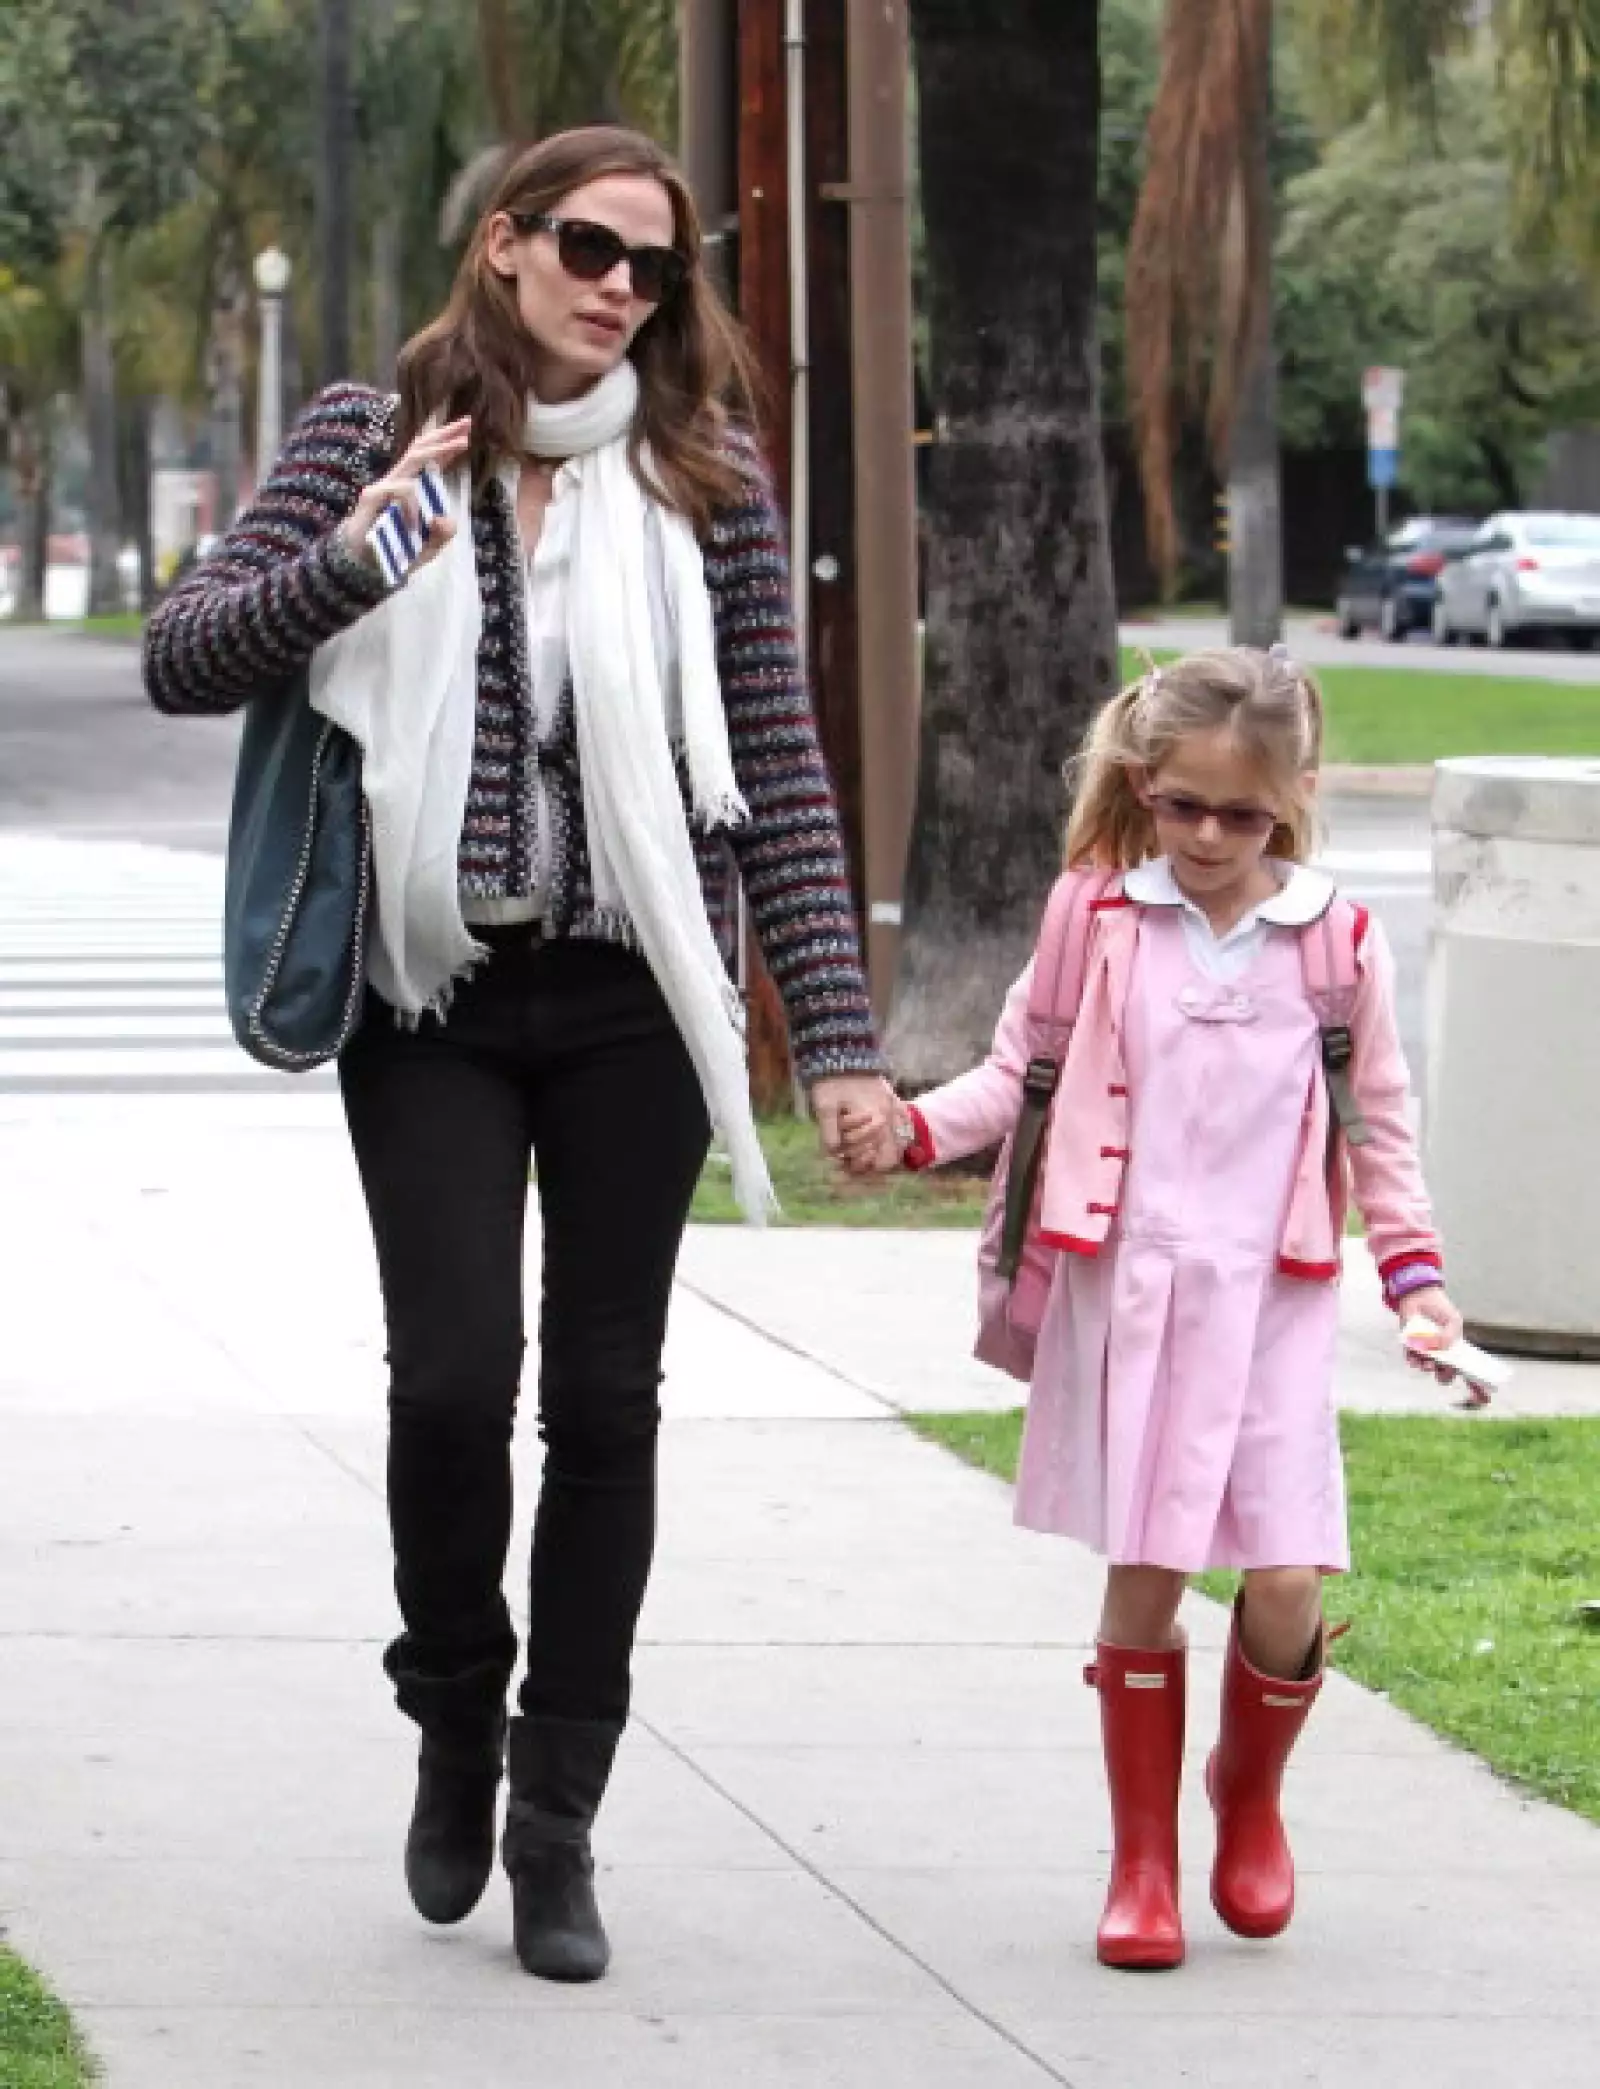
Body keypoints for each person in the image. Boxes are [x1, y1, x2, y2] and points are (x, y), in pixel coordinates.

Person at [144, 125, 896, 1983]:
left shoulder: (703, 471)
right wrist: (351, 553)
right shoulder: (360, 431)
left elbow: (779, 775)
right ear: (502, 247)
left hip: (638, 990)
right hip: (435, 997)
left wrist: (849, 1045)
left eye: (656, 264)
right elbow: (185, 656)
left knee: (611, 1406)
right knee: (449, 1386)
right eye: (588, 245)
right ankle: (455, 1714)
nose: (622, 285)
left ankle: (560, 1808)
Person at [842, 646, 1462, 1970]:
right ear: (1144, 782)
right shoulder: (1098, 921)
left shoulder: (1336, 942)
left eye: (1244, 814)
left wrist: (1417, 1283)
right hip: (1133, 1292)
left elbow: (1383, 1125)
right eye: (1184, 806)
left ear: (1293, 798)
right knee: (1150, 1570)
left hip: (1275, 1295)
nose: (1210, 836)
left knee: (1287, 1575)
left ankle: (1248, 1793)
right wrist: (909, 1132)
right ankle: (1143, 1866)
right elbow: (1018, 1075)